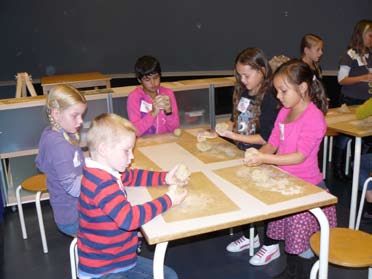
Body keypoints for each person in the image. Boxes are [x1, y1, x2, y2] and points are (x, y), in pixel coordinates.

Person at [244, 59, 337, 278]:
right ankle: (292, 272)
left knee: (302, 246)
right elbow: (273, 142)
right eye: (277, 90)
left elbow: (299, 157)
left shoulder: (314, 117)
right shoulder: (285, 111)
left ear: (303, 88)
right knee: (290, 241)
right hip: (287, 185)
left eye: (283, 91)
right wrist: (259, 155)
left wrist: (264, 158)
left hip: (306, 189)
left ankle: (301, 274)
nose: (278, 96)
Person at [77, 113, 188, 279]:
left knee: (169, 276)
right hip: (104, 269)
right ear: (103, 150)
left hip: (120, 258)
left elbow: (133, 176)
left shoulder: (106, 171)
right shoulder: (101, 183)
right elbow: (129, 219)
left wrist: (164, 177)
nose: (132, 156)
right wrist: (168, 200)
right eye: (126, 151)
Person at [216, 48, 280, 259]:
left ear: (262, 70)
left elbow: (266, 138)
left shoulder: (271, 97)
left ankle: (271, 244)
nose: (242, 80)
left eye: (247, 75)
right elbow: (241, 122)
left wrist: (234, 136)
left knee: (267, 199)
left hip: (264, 155)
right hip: (245, 152)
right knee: (243, 193)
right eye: (240, 75)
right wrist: (229, 126)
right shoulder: (245, 93)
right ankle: (249, 236)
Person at [36, 84, 87, 236]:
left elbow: (76, 166)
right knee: (122, 224)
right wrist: (100, 178)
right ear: (56, 114)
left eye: (81, 116)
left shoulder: (59, 133)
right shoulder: (59, 144)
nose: (80, 121)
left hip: (72, 210)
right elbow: (73, 187)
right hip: (74, 217)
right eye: (75, 115)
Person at [334, 19, 372, 179]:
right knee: (344, 137)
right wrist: (364, 77)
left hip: (366, 102)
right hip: (350, 100)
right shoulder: (350, 55)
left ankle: (356, 168)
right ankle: (338, 169)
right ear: (361, 35)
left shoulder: (370, 55)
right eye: (370, 35)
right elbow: (341, 80)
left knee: (365, 137)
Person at [127, 55, 180, 137]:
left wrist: (168, 112)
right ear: (139, 80)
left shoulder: (168, 94)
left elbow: (175, 129)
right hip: (144, 144)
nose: (153, 83)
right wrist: (152, 113)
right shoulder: (134, 97)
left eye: (156, 77)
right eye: (147, 80)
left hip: (165, 141)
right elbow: (135, 132)